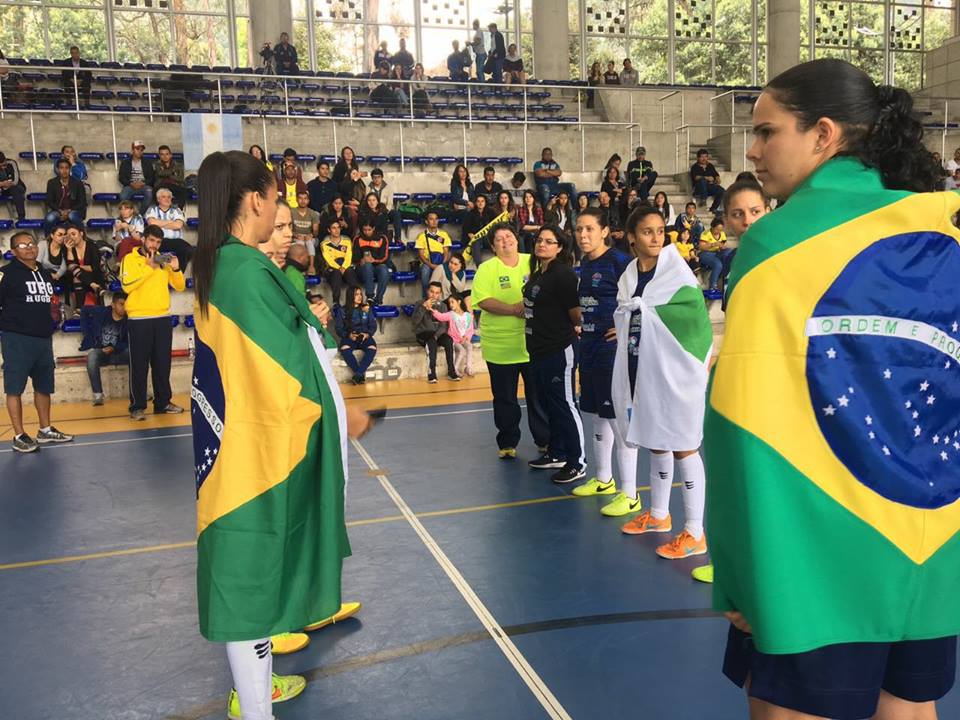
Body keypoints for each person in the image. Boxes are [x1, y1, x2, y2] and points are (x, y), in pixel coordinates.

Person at [704, 57, 960, 720]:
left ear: (823, 134)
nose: (753, 152)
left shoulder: (776, 244)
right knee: (908, 708)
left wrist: (737, 569)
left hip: (809, 553)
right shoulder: (947, 226)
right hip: (927, 548)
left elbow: (739, 426)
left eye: (766, 132)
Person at [191, 149, 368, 720]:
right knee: (250, 577)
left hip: (238, 447)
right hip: (256, 454)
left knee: (252, 573)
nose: (279, 212)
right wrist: (339, 416)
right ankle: (255, 706)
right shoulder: (244, 270)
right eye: (275, 200)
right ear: (254, 201)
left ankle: (258, 690)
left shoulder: (226, 264)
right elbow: (289, 370)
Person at [611, 205, 712, 560]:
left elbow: (693, 319)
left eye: (659, 231)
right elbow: (631, 312)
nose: (656, 237)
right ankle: (658, 515)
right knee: (655, 439)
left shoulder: (676, 273)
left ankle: (696, 531)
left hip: (676, 370)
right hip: (642, 367)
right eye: (647, 232)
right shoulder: (628, 274)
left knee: (683, 443)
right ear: (631, 237)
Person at [570, 208, 639, 514]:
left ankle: (630, 494)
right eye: (579, 229)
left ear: (604, 231)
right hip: (589, 346)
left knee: (617, 419)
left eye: (588, 229)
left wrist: (625, 329)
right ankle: (603, 479)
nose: (583, 235)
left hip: (612, 352)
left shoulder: (621, 262)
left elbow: (645, 298)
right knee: (597, 413)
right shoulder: (586, 264)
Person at [472, 224, 549, 459]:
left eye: (509, 236)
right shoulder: (486, 269)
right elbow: (483, 300)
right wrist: (514, 309)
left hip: (534, 344)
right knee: (505, 398)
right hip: (500, 347)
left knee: (538, 396)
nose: (505, 240)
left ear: (517, 239)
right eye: (499, 239)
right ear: (494, 247)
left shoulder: (534, 261)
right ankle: (507, 442)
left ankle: (545, 440)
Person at [0, 231, 75, 453]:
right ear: (13, 251)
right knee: (14, 388)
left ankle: (45, 430)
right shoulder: (6, 274)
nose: (29, 248)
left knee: (44, 386)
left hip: (43, 339)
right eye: (22, 246)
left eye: (31, 243)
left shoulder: (42, 271)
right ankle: (19, 434)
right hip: (17, 339)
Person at [522, 225, 585, 484]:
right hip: (537, 350)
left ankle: (577, 461)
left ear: (559, 247)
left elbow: (576, 313)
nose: (542, 245)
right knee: (550, 405)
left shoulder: (563, 274)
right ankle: (557, 453)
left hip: (559, 350)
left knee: (565, 405)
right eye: (539, 240)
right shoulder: (538, 274)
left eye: (549, 241)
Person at [118, 224, 183, 420]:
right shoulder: (130, 259)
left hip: (162, 318)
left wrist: (176, 268)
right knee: (139, 365)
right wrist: (148, 268)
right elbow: (127, 286)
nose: (155, 245)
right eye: (152, 240)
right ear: (144, 239)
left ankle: (163, 402)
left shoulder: (163, 259)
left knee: (163, 364)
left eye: (158, 242)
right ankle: (137, 406)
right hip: (139, 319)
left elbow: (179, 287)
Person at [80, 293, 129, 406]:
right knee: (92, 356)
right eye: (121, 304)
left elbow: (129, 342)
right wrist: (87, 335)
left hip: (120, 352)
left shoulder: (129, 319)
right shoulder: (102, 312)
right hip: (102, 352)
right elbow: (84, 310)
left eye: (126, 305)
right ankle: (98, 395)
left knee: (136, 353)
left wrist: (114, 348)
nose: (124, 308)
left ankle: (138, 391)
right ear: (113, 304)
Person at [411, 281, 458, 383]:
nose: (434, 295)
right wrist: (423, 307)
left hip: (437, 334)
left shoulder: (443, 306)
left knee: (449, 340)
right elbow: (414, 323)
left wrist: (436, 336)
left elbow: (444, 326)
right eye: (432, 292)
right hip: (423, 334)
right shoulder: (419, 303)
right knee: (431, 342)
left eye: (437, 293)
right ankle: (432, 374)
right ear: (427, 291)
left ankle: (452, 371)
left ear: (440, 294)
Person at [334, 286, 377, 385]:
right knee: (345, 348)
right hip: (350, 337)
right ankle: (360, 374)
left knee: (372, 348)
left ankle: (358, 374)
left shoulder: (366, 308)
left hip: (364, 336)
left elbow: (373, 325)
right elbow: (338, 328)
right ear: (350, 296)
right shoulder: (342, 310)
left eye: (360, 294)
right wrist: (348, 335)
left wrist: (367, 334)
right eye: (356, 294)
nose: (360, 297)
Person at [145, 188, 192, 271]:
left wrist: (160, 223)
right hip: (159, 241)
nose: (167, 199)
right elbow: (152, 223)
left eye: (169, 197)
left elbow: (178, 225)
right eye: (164, 197)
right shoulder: (152, 209)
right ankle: (166, 260)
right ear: (158, 199)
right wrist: (171, 222)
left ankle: (177, 271)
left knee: (189, 250)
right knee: (148, 248)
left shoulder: (177, 210)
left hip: (175, 241)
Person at [62, 222, 104, 313]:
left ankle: (78, 309)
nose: (71, 237)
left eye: (73, 234)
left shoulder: (91, 246)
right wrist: (69, 250)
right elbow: (69, 266)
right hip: (74, 279)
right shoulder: (68, 248)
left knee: (77, 275)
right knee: (75, 274)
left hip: (93, 276)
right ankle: (94, 286)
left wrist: (78, 268)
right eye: (69, 235)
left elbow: (94, 268)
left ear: (81, 234)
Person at [431, 292, 474, 378]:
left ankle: (468, 367)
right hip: (454, 339)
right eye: (449, 303)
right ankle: (455, 369)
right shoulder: (451, 314)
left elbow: (470, 329)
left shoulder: (468, 316)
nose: (450, 305)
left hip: (463, 339)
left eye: (452, 302)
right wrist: (432, 310)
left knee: (469, 346)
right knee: (461, 351)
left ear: (459, 302)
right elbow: (440, 316)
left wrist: (466, 337)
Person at [319, 217, 359, 306]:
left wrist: (344, 267)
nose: (337, 230)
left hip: (345, 266)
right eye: (333, 228)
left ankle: (355, 301)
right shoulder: (324, 243)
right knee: (336, 273)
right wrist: (339, 268)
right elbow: (328, 259)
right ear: (329, 230)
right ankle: (336, 303)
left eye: (338, 227)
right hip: (332, 268)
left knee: (350, 272)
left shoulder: (347, 241)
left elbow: (349, 255)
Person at [414, 210, 452, 297]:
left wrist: (442, 265)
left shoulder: (444, 234)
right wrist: (431, 265)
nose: (434, 221)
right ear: (426, 221)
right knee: (425, 270)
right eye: (431, 219)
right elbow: (421, 255)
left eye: (436, 219)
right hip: (427, 262)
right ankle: (426, 297)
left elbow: (446, 252)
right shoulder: (421, 236)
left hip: (441, 261)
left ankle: (444, 299)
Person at [44, 158, 86, 235]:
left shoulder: (77, 183)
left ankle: (82, 236)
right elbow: (49, 201)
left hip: (74, 210)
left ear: (70, 169)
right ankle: (48, 239)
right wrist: (60, 211)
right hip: (58, 210)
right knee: (49, 218)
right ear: (57, 169)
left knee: (72, 216)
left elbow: (82, 202)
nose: (64, 170)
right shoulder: (52, 183)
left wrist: (69, 210)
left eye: (66, 168)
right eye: (61, 168)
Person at [353, 220, 390, 305]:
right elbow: (354, 257)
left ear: (373, 228)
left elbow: (384, 257)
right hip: (362, 268)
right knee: (367, 265)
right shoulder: (357, 239)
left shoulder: (382, 238)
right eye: (364, 230)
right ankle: (370, 297)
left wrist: (374, 260)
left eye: (369, 230)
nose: (366, 232)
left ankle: (379, 298)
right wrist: (360, 260)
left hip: (377, 265)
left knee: (384, 269)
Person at [698, 217, 734, 299]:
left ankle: (725, 280)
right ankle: (712, 286)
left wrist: (722, 246)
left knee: (729, 253)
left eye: (720, 229)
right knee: (718, 264)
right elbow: (701, 247)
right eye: (717, 229)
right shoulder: (706, 233)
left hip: (717, 252)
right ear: (712, 227)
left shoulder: (722, 234)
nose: (719, 231)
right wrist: (713, 244)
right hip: (705, 254)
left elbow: (724, 244)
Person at [118, 141, 156, 215]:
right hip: (130, 186)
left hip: (144, 185)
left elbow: (152, 178)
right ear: (132, 150)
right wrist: (130, 183)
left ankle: (139, 215)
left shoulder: (147, 162)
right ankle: (129, 214)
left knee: (150, 193)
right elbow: (121, 177)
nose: (140, 151)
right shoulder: (125, 162)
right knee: (123, 196)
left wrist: (144, 183)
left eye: (141, 150)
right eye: (137, 149)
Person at [367, 168, 402, 241]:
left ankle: (398, 237)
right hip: (373, 210)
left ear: (382, 177)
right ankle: (384, 236)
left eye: (379, 177)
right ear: (372, 178)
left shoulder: (388, 188)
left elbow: (390, 203)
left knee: (396, 214)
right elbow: (367, 201)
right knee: (381, 217)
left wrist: (384, 210)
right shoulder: (368, 188)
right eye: (374, 177)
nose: (377, 179)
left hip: (386, 210)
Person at [153, 145, 189, 209]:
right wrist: (173, 173)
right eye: (162, 154)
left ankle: (179, 211)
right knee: (155, 191)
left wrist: (167, 175)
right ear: (159, 156)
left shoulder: (178, 165)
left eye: (167, 154)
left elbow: (180, 179)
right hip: (161, 185)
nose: (165, 156)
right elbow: (160, 173)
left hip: (174, 184)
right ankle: (160, 210)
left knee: (183, 191)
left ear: (170, 155)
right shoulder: (157, 164)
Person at [292, 191, 319, 273]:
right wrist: (296, 235)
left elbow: (316, 232)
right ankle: (298, 268)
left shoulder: (313, 213)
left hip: (310, 237)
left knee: (309, 242)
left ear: (308, 200)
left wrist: (311, 235)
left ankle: (311, 266)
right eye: (300, 198)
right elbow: (288, 230)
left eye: (305, 199)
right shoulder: (291, 212)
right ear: (296, 199)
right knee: (300, 243)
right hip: (296, 237)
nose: (303, 201)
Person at [0, 151, 26, 221]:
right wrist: (2, 184)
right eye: (0, 166)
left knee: (15, 189)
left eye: (4, 165)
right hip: (2, 188)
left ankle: (21, 216)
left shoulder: (12, 163)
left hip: (16, 186)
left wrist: (6, 184)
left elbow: (16, 180)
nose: (3, 168)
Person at [449, 164, 474, 229]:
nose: (463, 173)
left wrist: (472, 205)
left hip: (469, 209)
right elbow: (455, 198)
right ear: (457, 173)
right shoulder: (454, 184)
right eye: (461, 171)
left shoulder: (470, 185)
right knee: (466, 214)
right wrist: (467, 203)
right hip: (458, 210)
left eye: (464, 171)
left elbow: (473, 198)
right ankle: (467, 234)